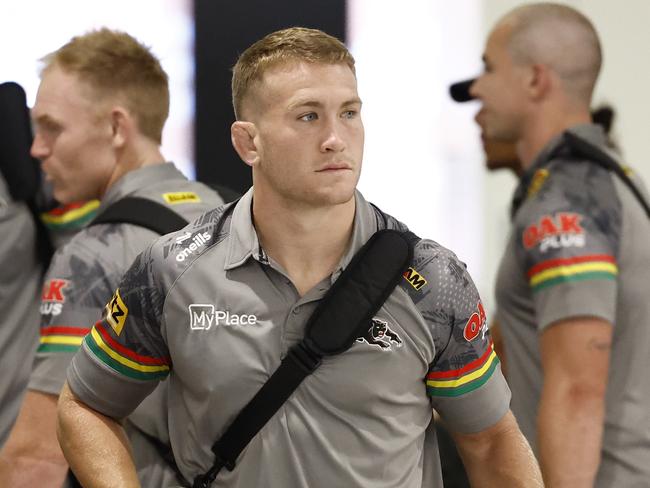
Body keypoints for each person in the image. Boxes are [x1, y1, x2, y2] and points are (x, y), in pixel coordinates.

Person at [57, 27, 542, 487]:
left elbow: (493, 444)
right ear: (249, 142)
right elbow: (85, 405)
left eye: (349, 113)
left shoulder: (433, 281)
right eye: (308, 116)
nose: (336, 137)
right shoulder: (171, 270)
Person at [0, 28, 226, 487]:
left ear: (116, 128)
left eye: (51, 127)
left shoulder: (93, 256)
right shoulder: (231, 212)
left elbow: (37, 461)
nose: (36, 149)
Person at [454, 3, 650, 486]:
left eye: (489, 68)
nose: (477, 88)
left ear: (535, 81)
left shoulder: (567, 201)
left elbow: (578, 389)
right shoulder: (605, 179)